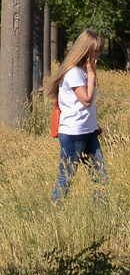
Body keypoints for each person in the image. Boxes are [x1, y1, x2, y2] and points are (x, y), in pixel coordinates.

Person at [44, 29, 107, 202]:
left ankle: (102, 212)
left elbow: (84, 108)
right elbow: (86, 100)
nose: (98, 55)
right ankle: (55, 210)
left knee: (100, 175)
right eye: (95, 51)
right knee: (66, 177)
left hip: (89, 131)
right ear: (85, 50)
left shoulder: (83, 71)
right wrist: (92, 74)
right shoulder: (73, 72)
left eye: (99, 51)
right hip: (73, 133)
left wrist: (94, 124)